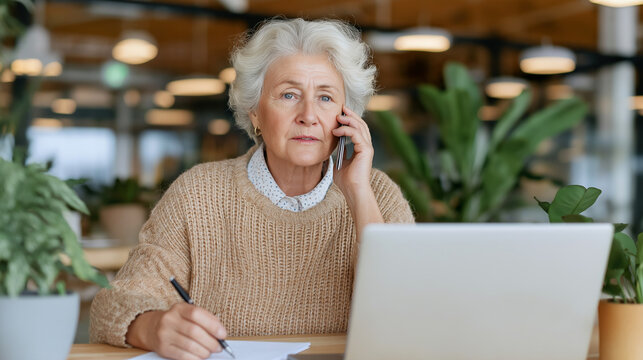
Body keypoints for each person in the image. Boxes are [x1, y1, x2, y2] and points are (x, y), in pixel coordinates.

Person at [90, 18, 414, 360]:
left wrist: (358, 194)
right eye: (289, 95)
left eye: (325, 97)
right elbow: (111, 307)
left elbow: (411, 309)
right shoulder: (198, 194)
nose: (308, 115)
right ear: (255, 111)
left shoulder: (378, 194)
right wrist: (153, 327)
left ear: (347, 115)